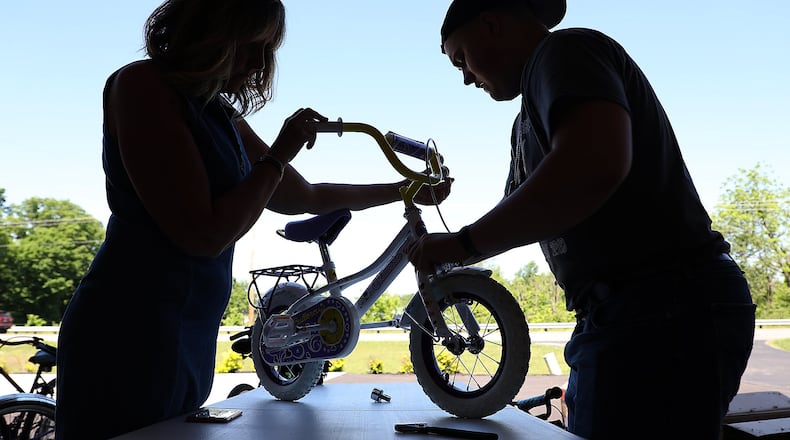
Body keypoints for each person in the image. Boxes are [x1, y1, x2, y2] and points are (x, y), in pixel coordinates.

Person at [54, 1, 451, 439]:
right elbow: (204, 234)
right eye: (252, 46)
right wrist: (278, 155)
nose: (261, 65)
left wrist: (403, 190)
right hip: (125, 335)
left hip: (185, 338)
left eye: (269, 50)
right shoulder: (142, 85)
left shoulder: (219, 112)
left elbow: (304, 195)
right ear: (210, 31)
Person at [407, 1, 756, 438]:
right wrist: (458, 245)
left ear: (492, 22)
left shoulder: (564, 53)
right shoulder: (527, 123)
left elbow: (593, 162)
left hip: (663, 308)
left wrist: (460, 244)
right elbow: (522, 211)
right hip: (628, 315)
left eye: (461, 58)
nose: (464, 77)